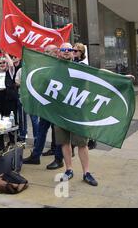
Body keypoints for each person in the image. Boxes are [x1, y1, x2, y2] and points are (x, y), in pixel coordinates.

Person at [56, 43, 98, 186]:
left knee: (81, 143)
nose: (67, 52)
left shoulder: (81, 67)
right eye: (64, 50)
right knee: (64, 142)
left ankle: (86, 172)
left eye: (70, 50)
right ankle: (69, 169)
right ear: (59, 52)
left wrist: (122, 78)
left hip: (77, 112)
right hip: (60, 111)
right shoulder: (54, 67)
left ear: (74, 52)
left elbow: (100, 74)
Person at [22, 45, 64, 170]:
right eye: (44, 51)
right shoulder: (42, 65)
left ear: (55, 53)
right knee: (41, 131)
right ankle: (36, 155)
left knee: (57, 134)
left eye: (47, 52)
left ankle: (58, 159)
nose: (44, 53)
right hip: (45, 105)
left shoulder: (59, 65)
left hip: (56, 106)